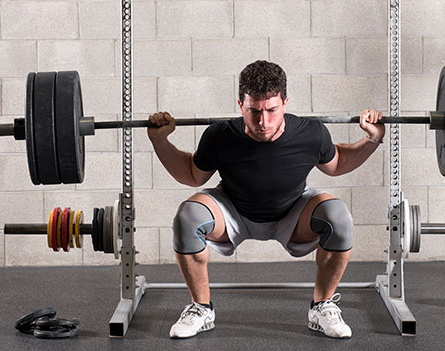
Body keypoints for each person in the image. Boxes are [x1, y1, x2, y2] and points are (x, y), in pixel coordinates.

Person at [147, 60, 385, 339]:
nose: (263, 121)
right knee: (188, 216)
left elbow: (338, 162)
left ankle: (322, 307)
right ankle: (201, 308)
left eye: (272, 110)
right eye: (254, 111)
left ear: (285, 102)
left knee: (338, 215)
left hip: (293, 214)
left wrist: (372, 140)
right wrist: (160, 142)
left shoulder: (310, 133)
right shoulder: (220, 135)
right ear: (240, 105)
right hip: (233, 212)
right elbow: (192, 174)